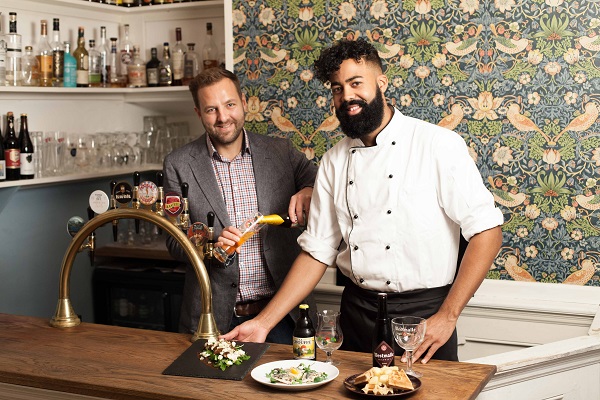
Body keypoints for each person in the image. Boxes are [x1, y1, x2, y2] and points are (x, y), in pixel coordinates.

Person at [220, 38, 504, 362]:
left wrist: (448, 316)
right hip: (357, 314)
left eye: (356, 83)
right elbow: (316, 252)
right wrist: (262, 323)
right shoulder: (333, 161)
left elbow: (487, 232)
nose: (347, 96)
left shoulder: (437, 145)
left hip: (424, 318)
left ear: (381, 82)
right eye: (337, 88)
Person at [163, 67, 318, 344]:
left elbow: (320, 182)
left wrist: (308, 189)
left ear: (244, 103)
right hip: (214, 319)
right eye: (211, 109)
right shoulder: (178, 164)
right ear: (199, 113)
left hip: (283, 317)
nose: (223, 117)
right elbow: (174, 242)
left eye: (230, 104)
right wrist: (210, 243)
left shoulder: (281, 151)